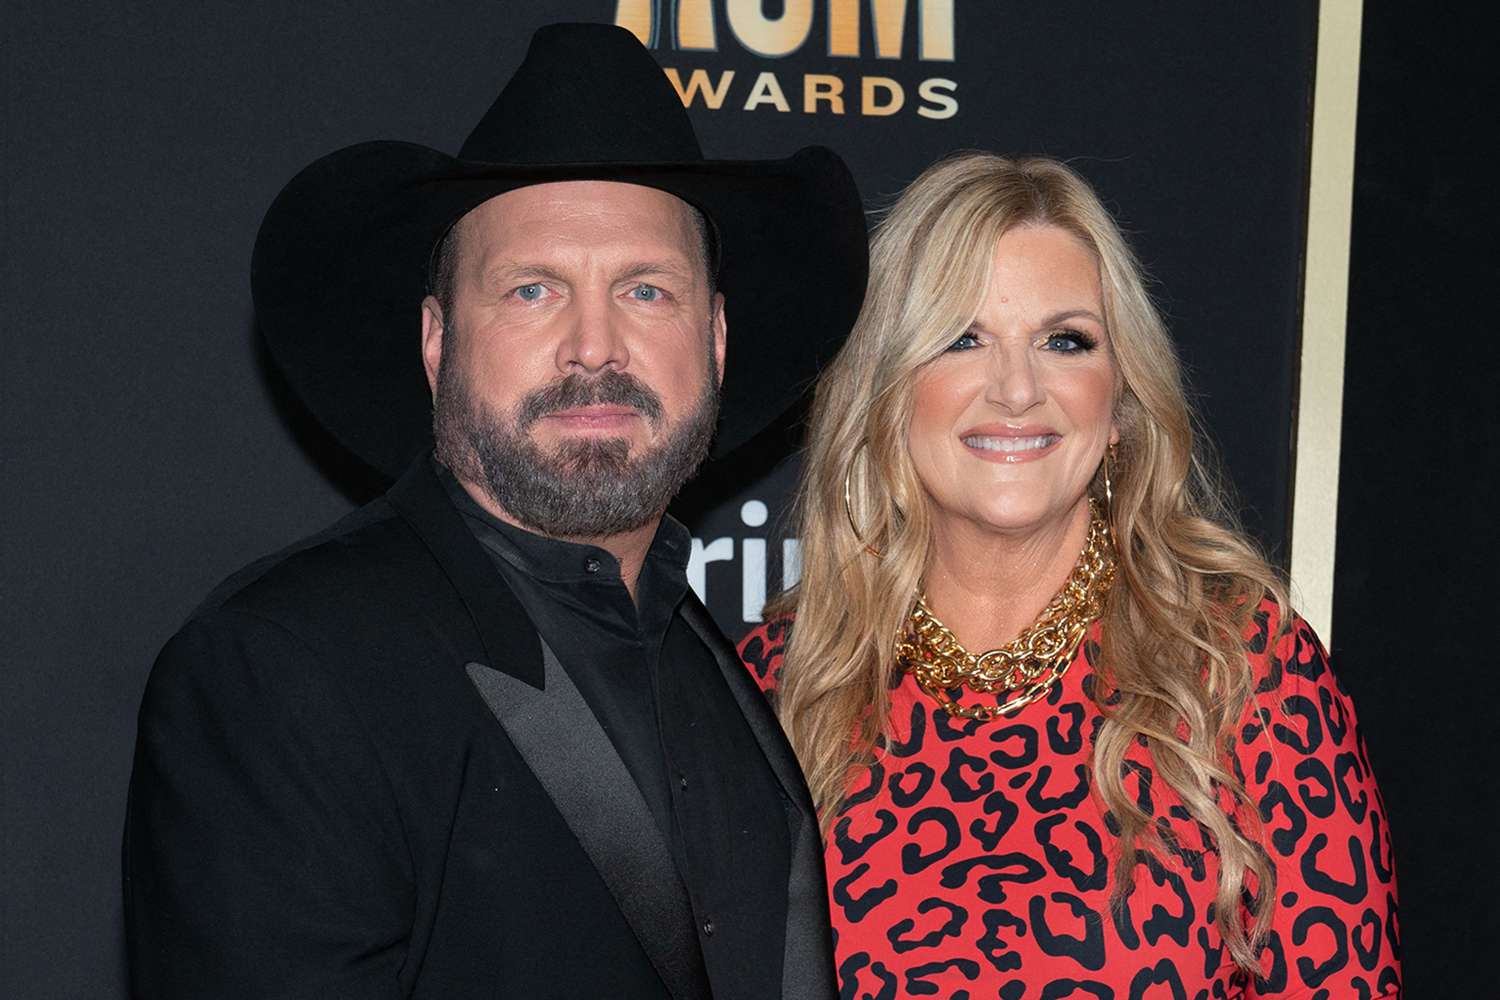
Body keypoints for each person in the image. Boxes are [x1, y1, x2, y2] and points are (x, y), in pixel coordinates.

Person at [123, 23, 867, 1000]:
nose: (593, 344)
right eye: (532, 289)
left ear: (716, 339)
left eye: (646, 289)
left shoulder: (721, 676)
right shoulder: (279, 669)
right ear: (438, 343)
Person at [739, 154, 1401, 998]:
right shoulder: (778, 686)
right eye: (962, 338)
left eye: (1065, 341)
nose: (1017, 390)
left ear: (1120, 402)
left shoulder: (1241, 672)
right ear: (884, 394)